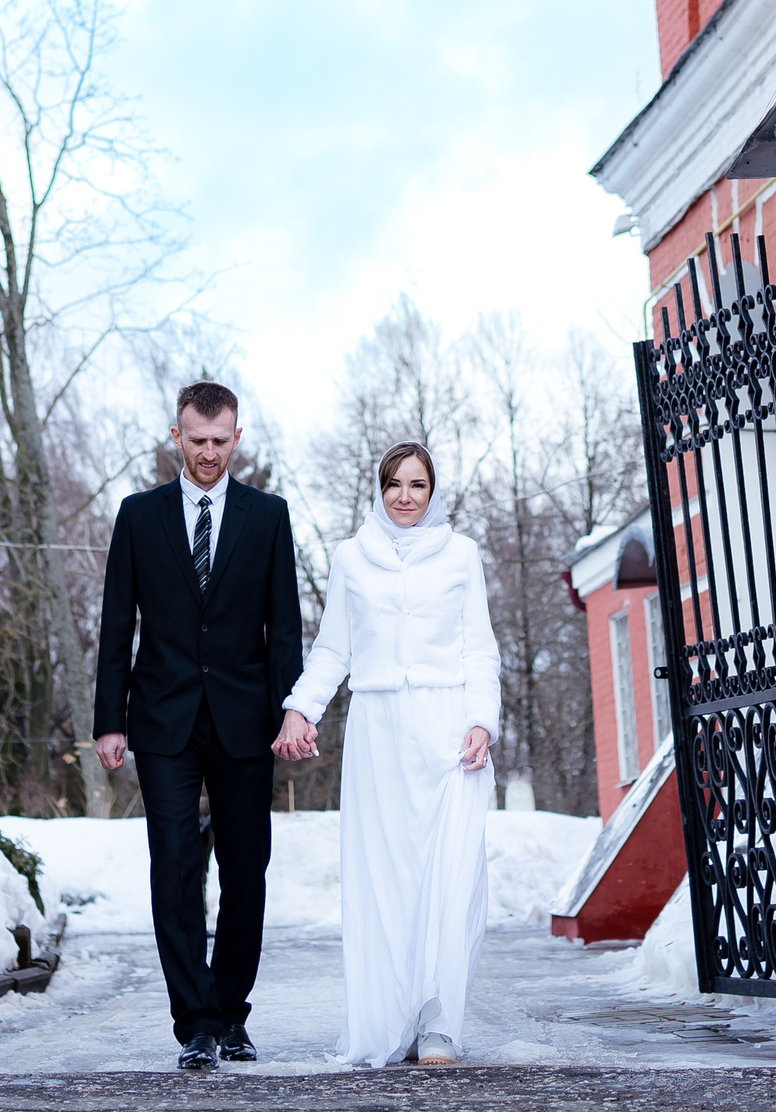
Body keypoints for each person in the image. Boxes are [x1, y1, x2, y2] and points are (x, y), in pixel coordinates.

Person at [94, 381, 303, 1072]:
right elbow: (118, 622)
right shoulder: (138, 515)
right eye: (197, 440)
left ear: (236, 439)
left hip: (248, 720)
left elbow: (284, 630)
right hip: (162, 719)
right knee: (176, 869)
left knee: (246, 872)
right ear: (176, 437)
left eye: (221, 441)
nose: (209, 452)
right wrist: (109, 720)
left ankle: (232, 1015)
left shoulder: (268, 517)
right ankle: (195, 1022)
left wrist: (290, 713)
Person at [276, 441, 500, 1067]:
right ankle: (391, 1021)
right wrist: (301, 708)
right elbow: (332, 649)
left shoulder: (462, 555)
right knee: (388, 885)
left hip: (449, 732)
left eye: (418, 485)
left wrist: (482, 719)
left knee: (450, 882)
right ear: (379, 490)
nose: (406, 496)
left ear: (433, 492)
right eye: (395, 484)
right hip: (379, 737)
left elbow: (480, 647)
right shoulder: (352, 557)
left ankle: (440, 1026)